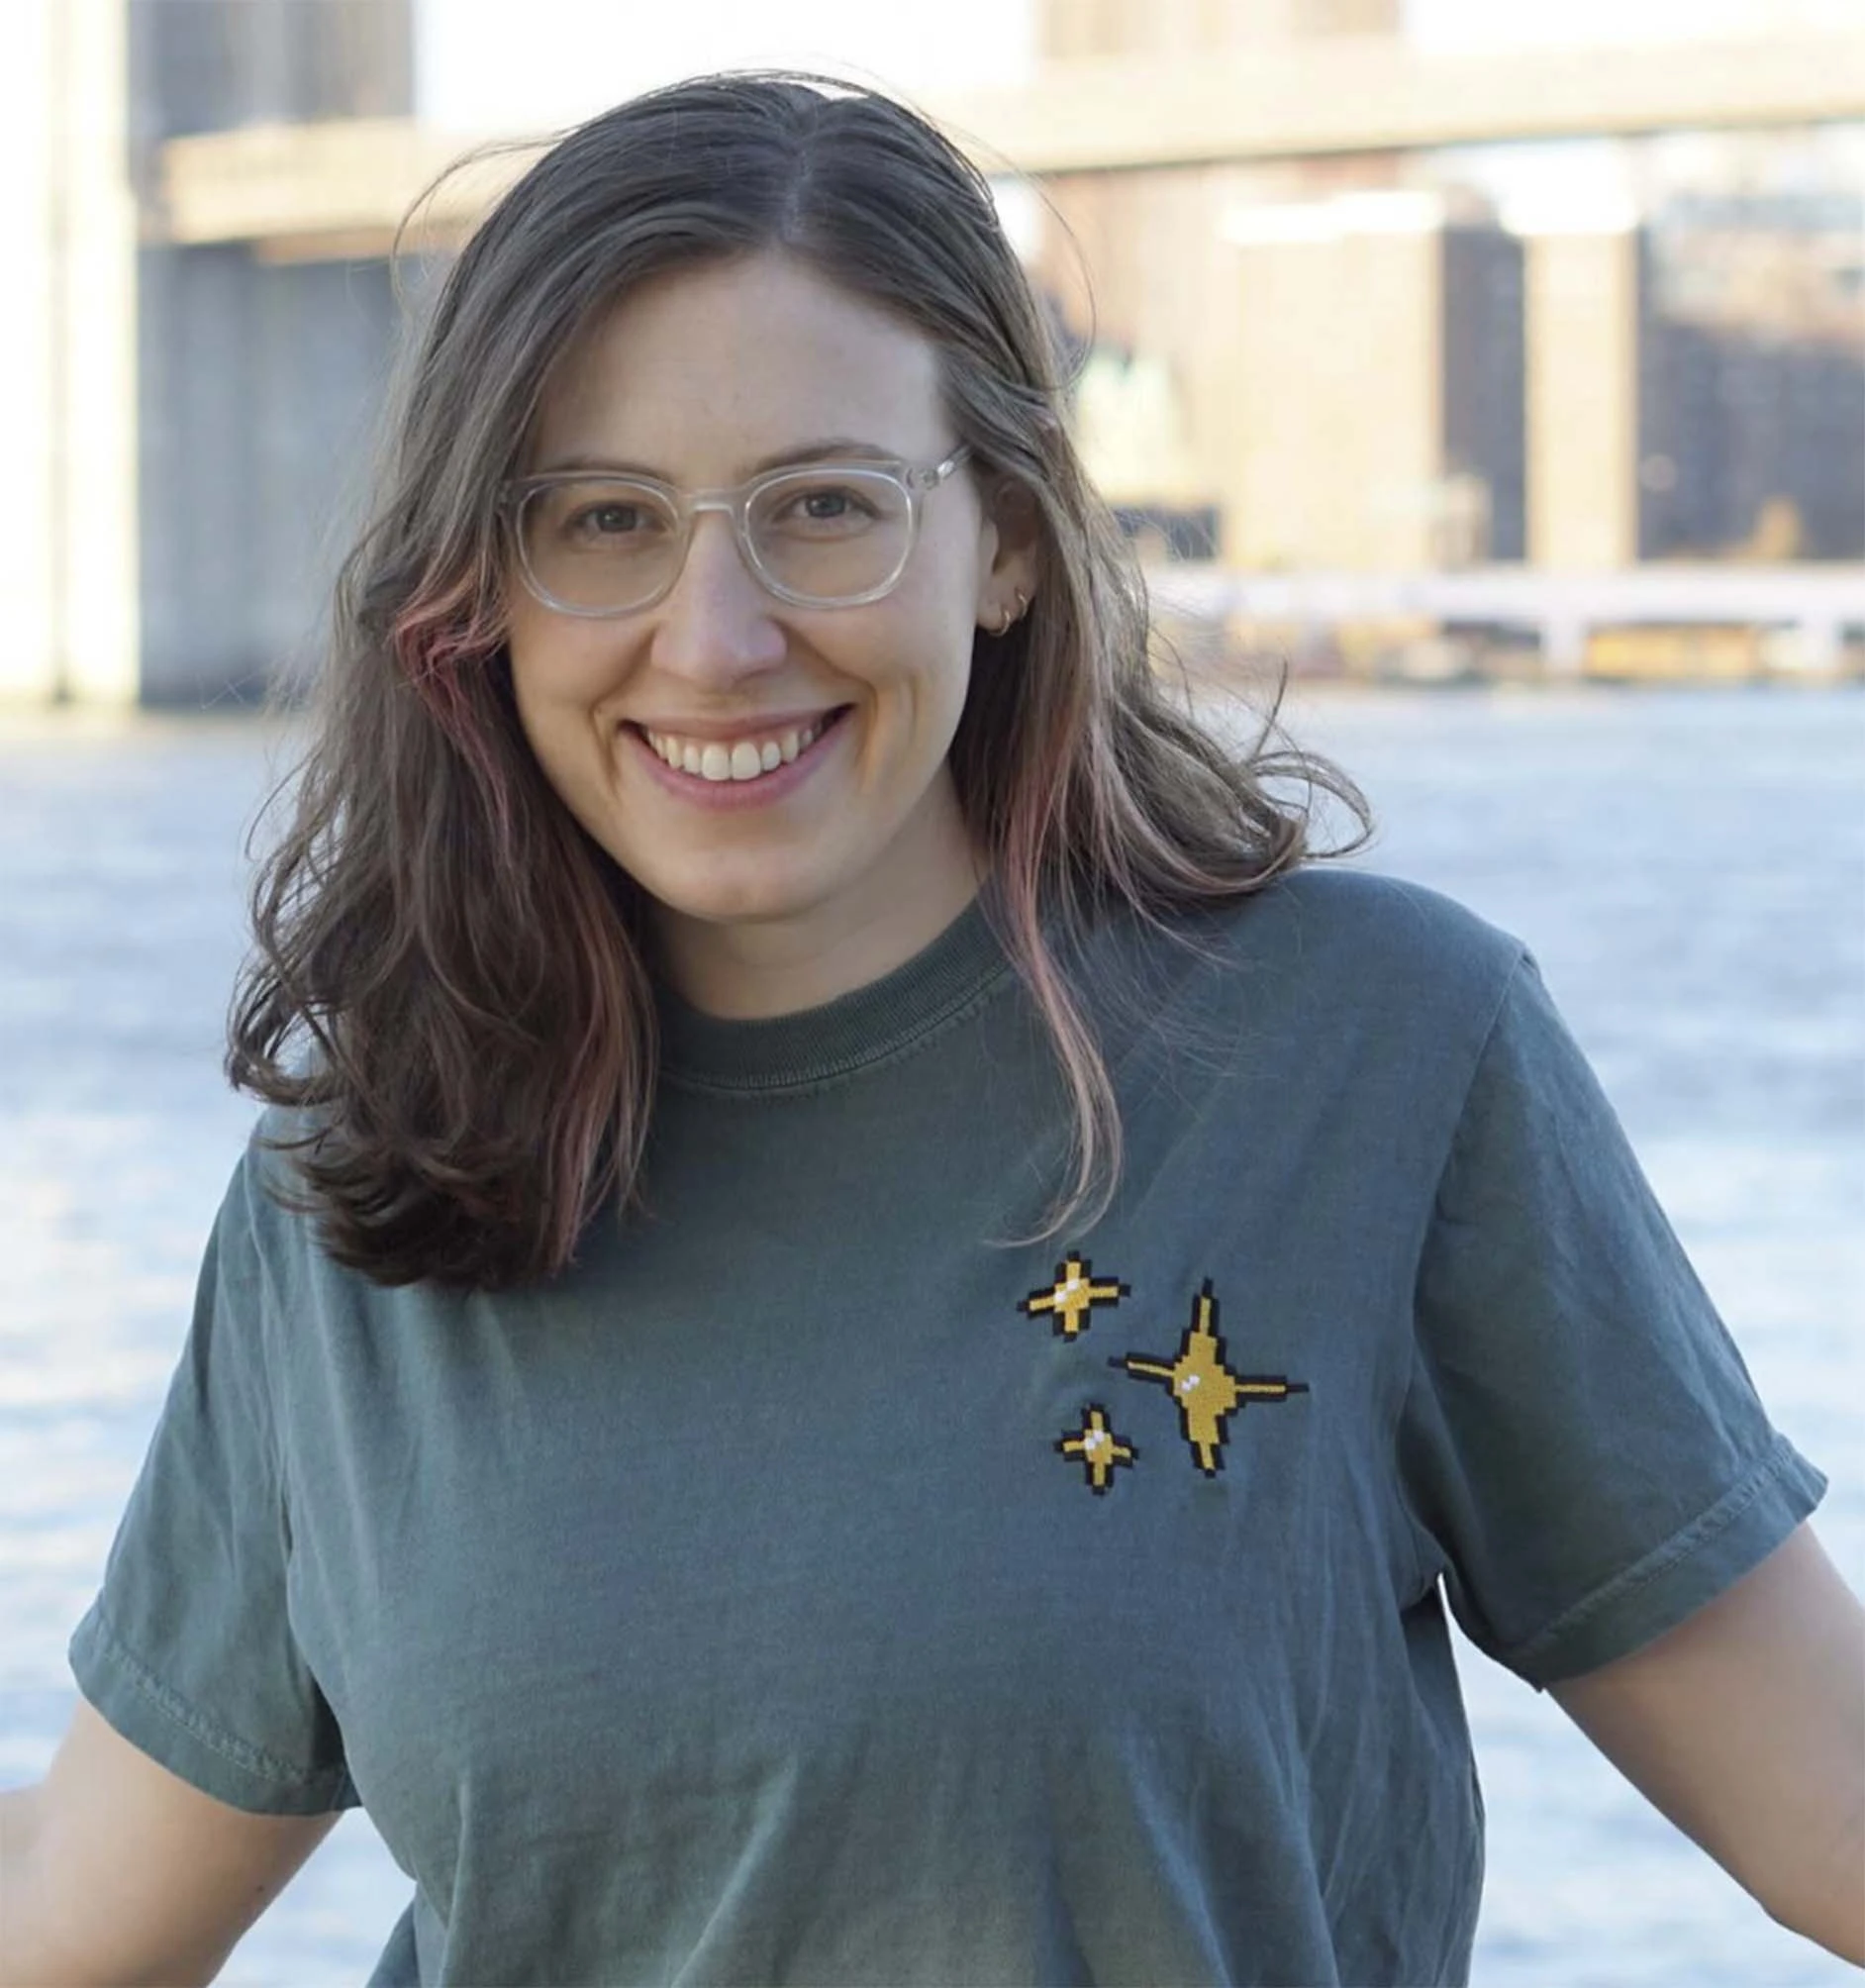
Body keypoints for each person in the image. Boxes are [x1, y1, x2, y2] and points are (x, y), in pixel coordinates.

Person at [1, 70, 1860, 1988]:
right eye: (603, 519)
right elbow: (78, 1918)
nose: (713, 635)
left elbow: (1833, 1802)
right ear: (484, 589)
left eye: (824, 507)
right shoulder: (359, 1185)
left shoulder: (1380, 1052)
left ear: (1012, 538)